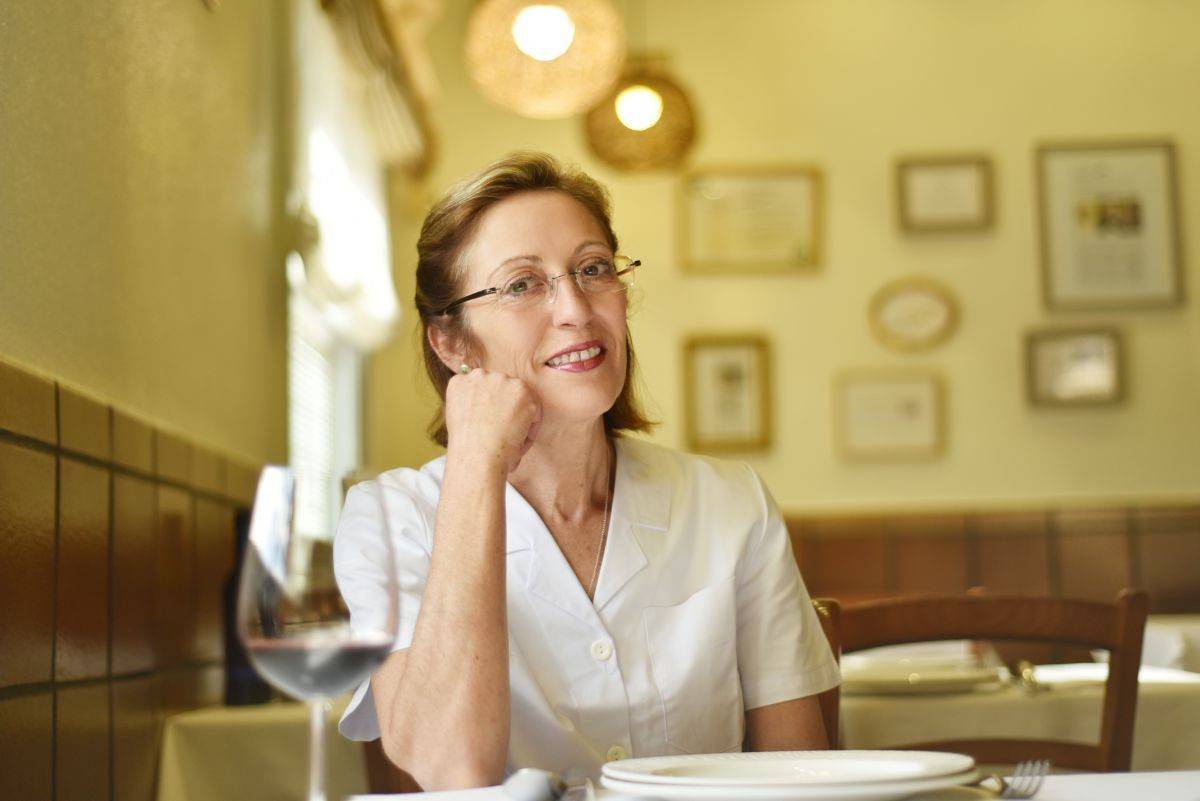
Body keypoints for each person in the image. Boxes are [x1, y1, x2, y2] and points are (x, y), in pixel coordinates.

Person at [333, 152, 840, 791]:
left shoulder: (730, 503)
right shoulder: (389, 518)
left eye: (593, 269)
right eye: (521, 284)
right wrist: (475, 464)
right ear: (452, 343)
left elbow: (798, 778)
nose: (575, 307)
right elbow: (452, 769)